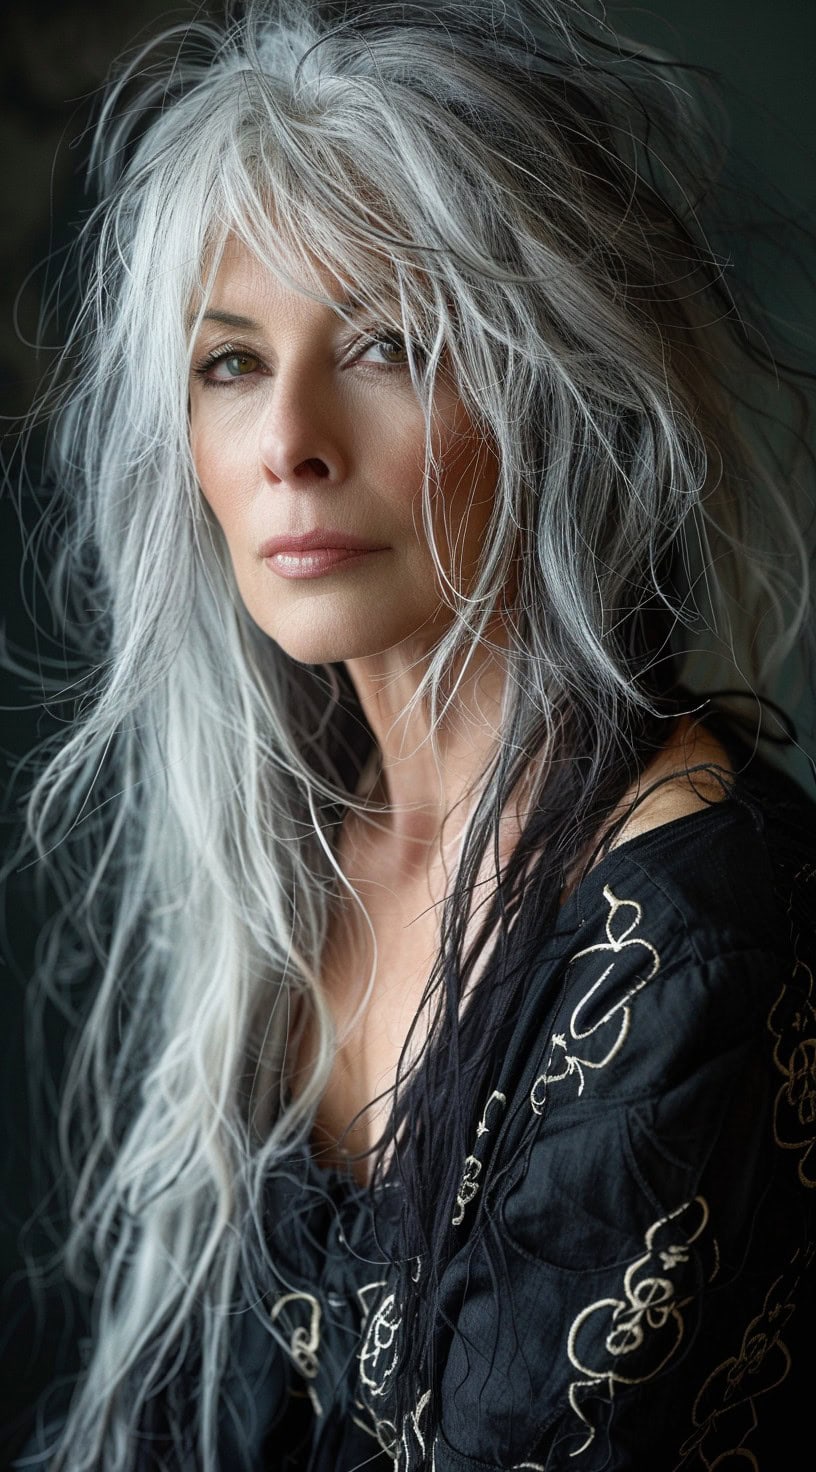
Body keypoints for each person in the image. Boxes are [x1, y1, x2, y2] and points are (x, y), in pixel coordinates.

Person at [5, 0, 816, 1467]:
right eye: (231, 361)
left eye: (385, 343)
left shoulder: (696, 926)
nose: (288, 444)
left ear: (549, 387)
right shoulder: (305, 842)